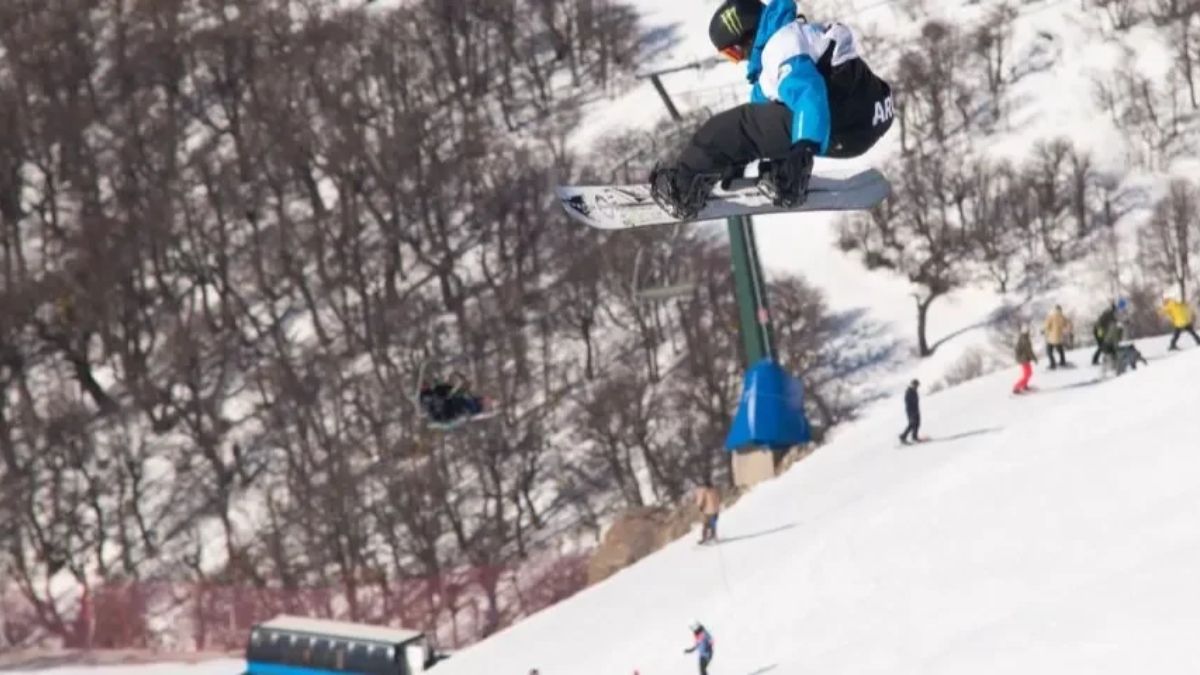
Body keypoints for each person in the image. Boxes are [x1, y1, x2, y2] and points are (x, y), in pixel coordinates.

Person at [648, 0, 894, 220]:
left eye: (732, 52)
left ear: (745, 36)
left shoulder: (781, 46)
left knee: (723, 130)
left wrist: (804, 148)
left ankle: (682, 189)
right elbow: (764, 119)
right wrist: (734, 160)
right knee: (757, 121)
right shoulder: (796, 39)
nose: (738, 59)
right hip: (866, 123)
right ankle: (784, 180)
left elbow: (809, 94)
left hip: (835, 124)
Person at [419, 372, 487, 425]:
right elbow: (434, 402)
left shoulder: (433, 391)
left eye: (426, 385)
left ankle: (480, 404)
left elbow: (443, 394)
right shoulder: (424, 397)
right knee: (459, 400)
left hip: (445, 409)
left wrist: (451, 391)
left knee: (462, 398)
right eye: (424, 386)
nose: (425, 387)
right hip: (443, 414)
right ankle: (474, 409)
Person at [1092, 300, 1122, 365]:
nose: (1116, 313)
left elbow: (1114, 322)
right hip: (1099, 330)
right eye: (1116, 311)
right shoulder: (1109, 314)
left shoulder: (1110, 314)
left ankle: (1113, 357)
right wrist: (1101, 335)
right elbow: (1101, 324)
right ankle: (1095, 360)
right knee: (1102, 344)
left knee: (1106, 344)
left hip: (1100, 330)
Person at [1043, 305, 1071, 369]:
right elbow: (1068, 325)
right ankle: (1062, 362)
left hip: (1051, 338)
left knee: (1049, 351)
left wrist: (1046, 333)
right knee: (1060, 350)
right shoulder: (1063, 317)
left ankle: (1052, 364)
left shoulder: (1051, 317)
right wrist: (1066, 331)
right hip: (1059, 338)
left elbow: (1046, 327)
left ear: (1055, 310)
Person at [694, 479, 721, 544]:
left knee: (705, 525)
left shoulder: (705, 491)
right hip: (715, 511)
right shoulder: (715, 491)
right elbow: (718, 500)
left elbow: (702, 500)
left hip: (707, 511)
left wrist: (700, 507)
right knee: (713, 525)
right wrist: (717, 510)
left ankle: (704, 538)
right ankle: (713, 536)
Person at [1013, 325, 1036, 394]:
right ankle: (1016, 387)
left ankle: (1024, 385)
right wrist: (1034, 358)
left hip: (1024, 358)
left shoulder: (1024, 338)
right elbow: (1028, 350)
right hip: (1024, 359)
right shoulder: (1024, 339)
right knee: (1027, 374)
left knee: (1028, 373)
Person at [898, 379, 921, 444]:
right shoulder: (909, 392)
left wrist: (916, 410)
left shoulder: (914, 391)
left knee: (917, 424)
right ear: (912, 384)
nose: (917, 386)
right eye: (916, 385)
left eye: (917, 385)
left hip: (916, 410)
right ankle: (903, 437)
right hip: (911, 411)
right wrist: (912, 412)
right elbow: (907, 402)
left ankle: (914, 437)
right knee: (912, 424)